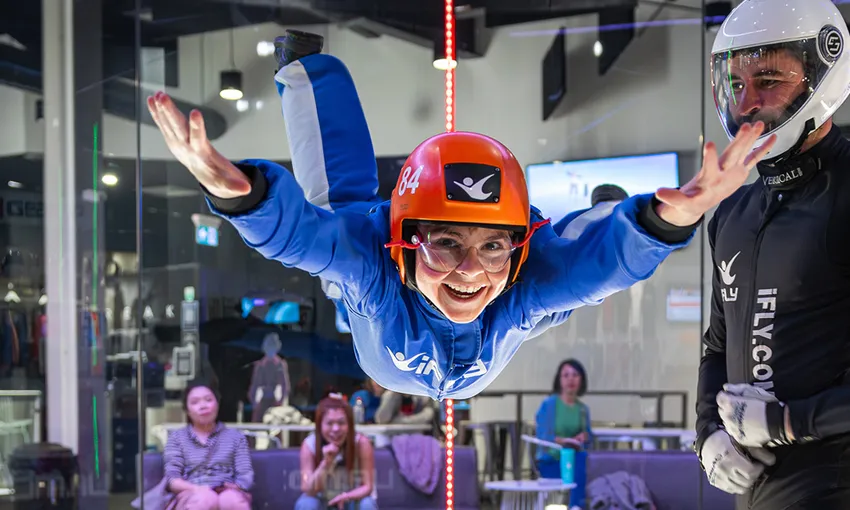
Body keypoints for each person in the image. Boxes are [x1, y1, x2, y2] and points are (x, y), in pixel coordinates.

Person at [145, 32, 773, 401]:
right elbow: (302, 239)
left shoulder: (523, 280)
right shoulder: (375, 266)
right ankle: (305, 64)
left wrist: (666, 219)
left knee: (580, 261)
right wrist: (239, 194)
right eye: (446, 244)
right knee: (341, 208)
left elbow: (599, 266)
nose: (472, 273)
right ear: (405, 245)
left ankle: (608, 208)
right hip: (380, 324)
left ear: (514, 248)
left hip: (479, 327)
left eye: (493, 247)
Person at [694, 0, 850, 507]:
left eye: (768, 80)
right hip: (758, 491)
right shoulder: (732, 211)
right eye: (737, 85)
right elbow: (717, 345)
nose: (746, 105)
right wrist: (707, 435)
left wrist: (786, 422)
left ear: (820, 77)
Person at [163, 380, 253, 510]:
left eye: (208, 400)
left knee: (230, 501)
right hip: (191, 493)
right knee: (205, 499)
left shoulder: (236, 438)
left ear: (217, 403)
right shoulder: (177, 439)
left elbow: (245, 475)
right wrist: (198, 489)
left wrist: (234, 487)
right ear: (187, 410)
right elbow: (172, 480)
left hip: (228, 491)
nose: (203, 406)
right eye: (195, 402)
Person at [297, 394, 377, 510]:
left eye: (341, 423)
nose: (335, 429)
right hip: (321, 500)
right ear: (320, 425)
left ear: (349, 425)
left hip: (351, 499)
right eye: (329, 423)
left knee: (367, 504)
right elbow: (308, 489)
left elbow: (367, 486)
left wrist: (346, 497)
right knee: (306, 504)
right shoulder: (309, 445)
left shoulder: (361, 443)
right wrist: (325, 463)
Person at [536, 359, 593, 510]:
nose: (571, 379)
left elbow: (589, 439)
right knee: (578, 465)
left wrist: (584, 437)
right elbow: (543, 436)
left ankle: (576, 506)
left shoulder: (582, 409)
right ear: (559, 379)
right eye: (566, 375)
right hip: (552, 459)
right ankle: (575, 505)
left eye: (575, 375)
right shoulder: (549, 405)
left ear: (581, 379)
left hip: (574, 458)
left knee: (582, 460)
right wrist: (563, 441)